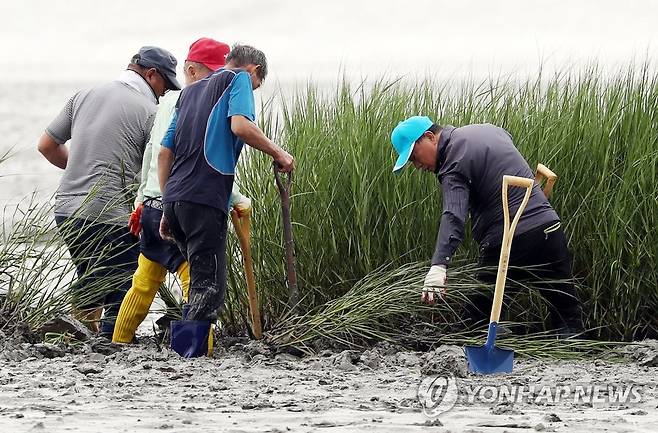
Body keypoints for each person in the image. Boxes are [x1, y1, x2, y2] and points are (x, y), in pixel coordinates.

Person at [158, 44, 294, 357]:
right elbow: (241, 126)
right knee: (210, 287)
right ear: (254, 71)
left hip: (176, 200)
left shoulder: (189, 93)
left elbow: (166, 152)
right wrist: (280, 152)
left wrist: (167, 205)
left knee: (199, 282)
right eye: (256, 87)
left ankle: (185, 353)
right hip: (205, 197)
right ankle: (186, 357)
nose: (252, 93)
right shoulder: (239, 79)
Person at [390, 116, 584, 336]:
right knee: (566, 312)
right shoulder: (489, 130)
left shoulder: (453, 161)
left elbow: (453, 215)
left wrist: (439, 265)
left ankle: (499, 340)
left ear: (430, 137)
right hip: (549, 227)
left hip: (511, 239)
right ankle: (572, 352)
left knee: (475, 323)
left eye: (414, 156)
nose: (417, 166)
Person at [37, 46, 180, 336]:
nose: (165, 93)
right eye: (165, 84)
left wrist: (80, 168)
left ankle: (77, 335)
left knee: (91, 276)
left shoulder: (83, 95)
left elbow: (46, 146)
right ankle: (110, 339)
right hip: (111, 213)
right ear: (151, 75)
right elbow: (156, 166)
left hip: (66, 209)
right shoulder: (149, 111)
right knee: (121, 282)